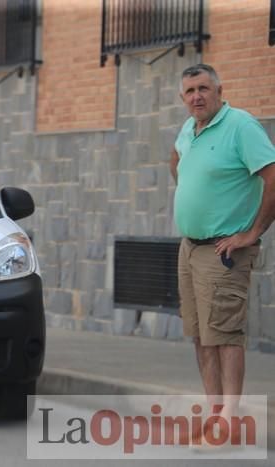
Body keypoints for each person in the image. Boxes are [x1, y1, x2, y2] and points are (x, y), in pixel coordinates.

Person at [170, 64, 275, 430]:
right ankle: (214, 413)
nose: (196, 96)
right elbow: (177, 160)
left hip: (224, 250)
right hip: (190, 248)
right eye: (189, 91)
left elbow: (272, 176)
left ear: (218, 90)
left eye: (203, 88)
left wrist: (251, 233)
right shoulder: (190, 127)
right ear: (183, 98)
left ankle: (230, 418)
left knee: (225, 334)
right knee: (201, 334)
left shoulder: (240, 126)